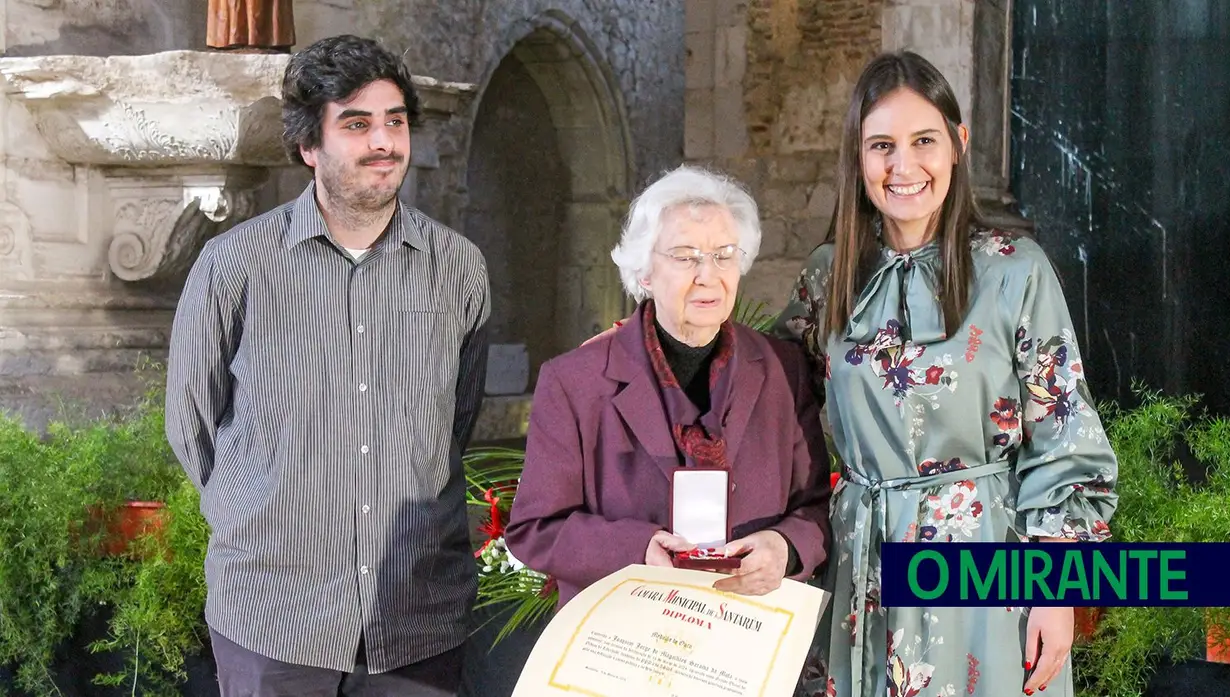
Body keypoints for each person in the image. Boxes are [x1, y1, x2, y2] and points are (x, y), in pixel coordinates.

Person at [776, 52, 1118, 697]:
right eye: (882, 145)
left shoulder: (1015, 270)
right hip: (860, 571)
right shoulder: (828, 276)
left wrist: (1058, 596)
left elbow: (1066, 444)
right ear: (857, 157)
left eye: (923, 141)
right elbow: (766, 402)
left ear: (957, 145)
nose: (903, 167)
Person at [165, 35, 490, 697]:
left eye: (394, 121)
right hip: (273, 622)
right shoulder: (234, 267)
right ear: (308, 145)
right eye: (356, 123)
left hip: (417, 623)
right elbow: (191, 425)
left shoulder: (458, 267)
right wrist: (262, 518)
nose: (384, 142)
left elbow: (454, 423)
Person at [504, 165, 832, 606]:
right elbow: (534, 530)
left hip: (745, 638)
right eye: (684, 256)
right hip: (625, 640)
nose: (708, 274)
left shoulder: (782, 368)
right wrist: (636, 550)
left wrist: (787, 546)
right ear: (644, 272)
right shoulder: (575, 382)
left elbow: (817, 506)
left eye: (723, 254)